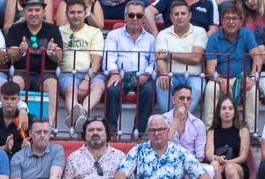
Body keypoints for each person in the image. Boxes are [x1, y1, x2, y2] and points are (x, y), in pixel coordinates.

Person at [103, 0, 158, 138]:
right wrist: (114, 73)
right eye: (131, 15)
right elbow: (109, 57)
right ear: (125, 16)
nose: (135, 18)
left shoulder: (151, 39)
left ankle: (137, 133)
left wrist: (147, 74)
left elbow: (154, 62)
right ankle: (112, 132)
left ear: (144, 19)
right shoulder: (113, 35)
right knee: (112, 89)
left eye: (139, 16)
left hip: (143, 77)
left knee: (150, 91)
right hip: (120, 75)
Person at [5, 0, 63, 127]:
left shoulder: (53, 30)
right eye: (30, 10)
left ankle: (50, 126)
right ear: (24, 12)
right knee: (14, 82)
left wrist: (52, 52)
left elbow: (59, 57)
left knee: (53, 84)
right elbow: (10, 55)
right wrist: (20, 51)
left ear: (43, 12)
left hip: (45, 73)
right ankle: (13, 124)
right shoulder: (15, 29)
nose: (33, 13)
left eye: (37, 10)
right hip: (21, 72)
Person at [205, 3, 259, 131]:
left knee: (252, 90)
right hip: (221, 78)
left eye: (234, 18)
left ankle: (252, 131)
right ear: (221, 21)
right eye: (227, 18)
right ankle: (209, 129)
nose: (231, 22)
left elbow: (257, 57)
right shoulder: (214, 38)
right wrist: (219, 80)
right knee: (210, 88)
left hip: (243, 78)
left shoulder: (247, 34)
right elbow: (210, 69)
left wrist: (252, 77)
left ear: (240, 21)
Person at [57, 0, 106, 132]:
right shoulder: (59, 31)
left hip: (90, 72)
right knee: (71, 90)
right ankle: (80, 119)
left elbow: (96, 60)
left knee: (100, 85)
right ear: (66, 14)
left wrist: (87, 79)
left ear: (85, 14)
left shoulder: (94, 32)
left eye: (79, 12)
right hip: (67, 73)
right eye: (72, 12)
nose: (76, 15)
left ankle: (80, 115)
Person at [154, 0, 208, 115]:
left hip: (193, 76)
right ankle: (168, 120)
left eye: (183, 13)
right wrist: (163, 73)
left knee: (198, 87)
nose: (180, 17)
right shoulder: (163, 34)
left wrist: (170, 54)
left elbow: (196, 58)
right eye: (176, 14)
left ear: (189, 16)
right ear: (171, 17)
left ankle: (181, 118)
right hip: (170, 74)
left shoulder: (200, 32)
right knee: (161, 82)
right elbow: (160, 58)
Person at [206, 96, 252, 179]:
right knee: (213, 164)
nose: (227, 111)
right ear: (218, 111)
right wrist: (217, 158)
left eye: (230, 108)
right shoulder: (211, 131)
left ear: (235, 111)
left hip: (238, 167)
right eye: (224, 108)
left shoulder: (243, 130)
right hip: (218, 166)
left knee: (229, 168)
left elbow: (243, 157)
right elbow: (209, 154)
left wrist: (226, 163)